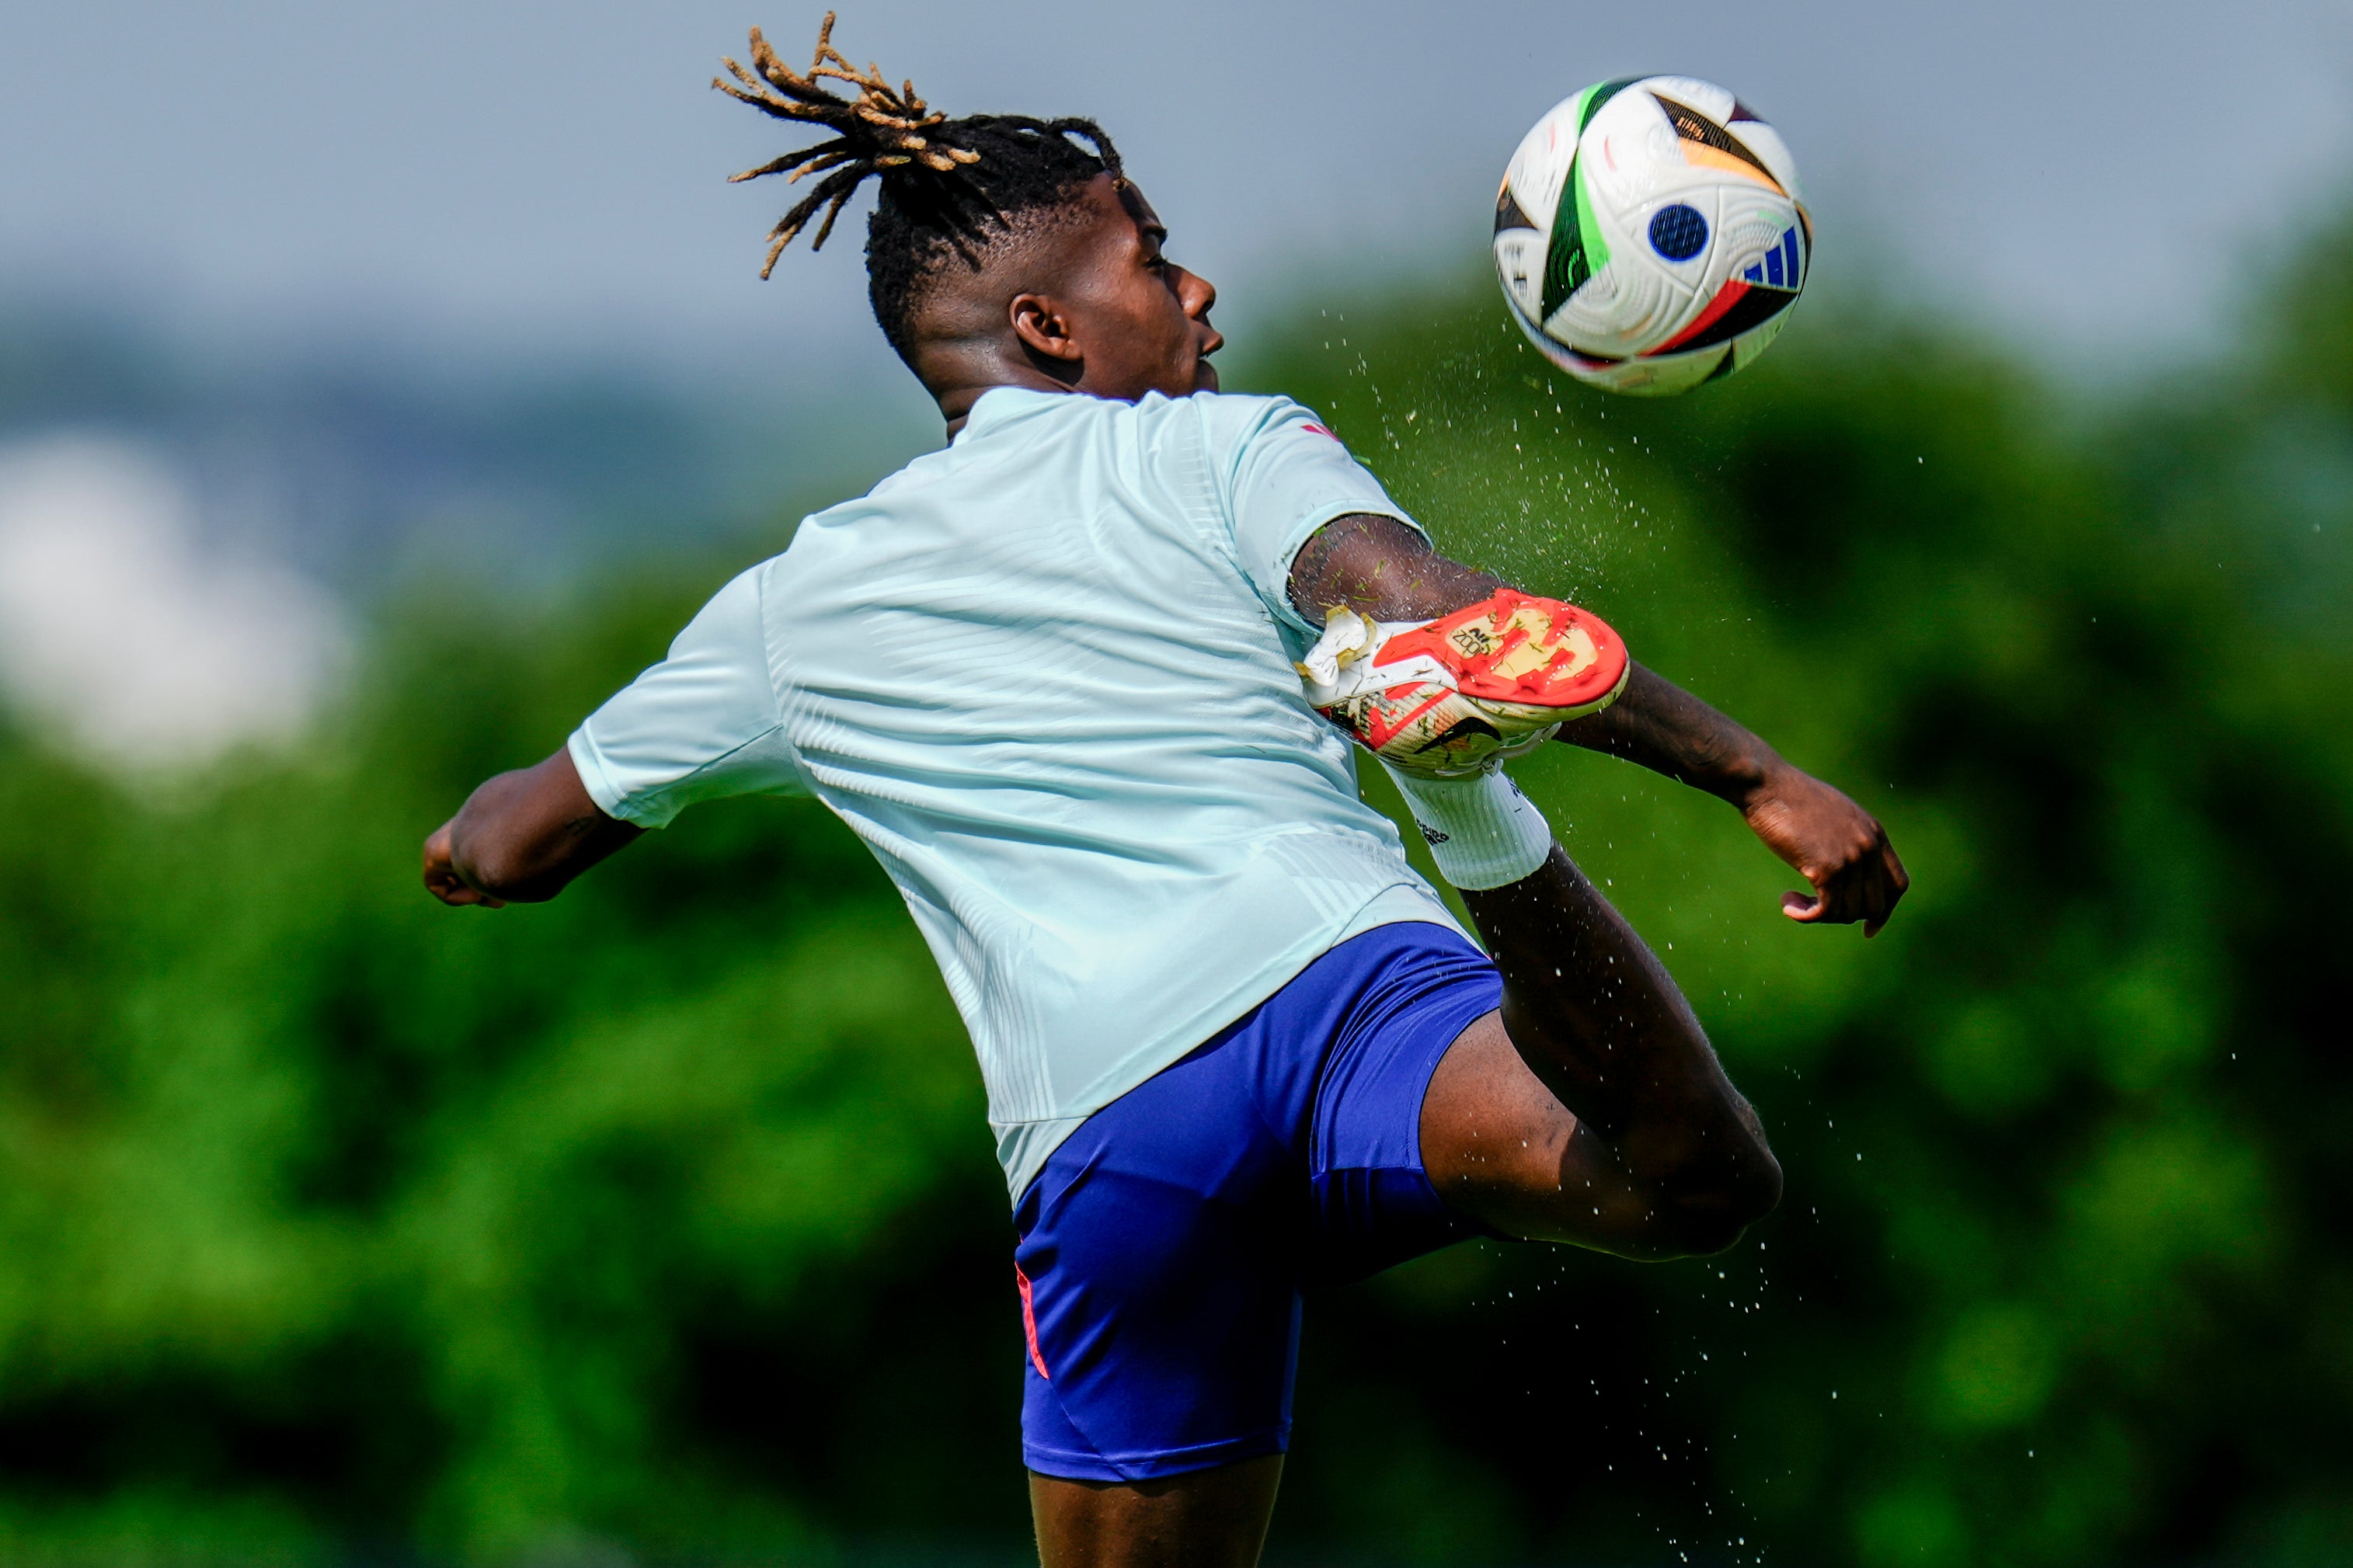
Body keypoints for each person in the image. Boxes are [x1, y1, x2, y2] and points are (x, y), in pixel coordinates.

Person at [422, 19, 1909, 1567]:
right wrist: (1760, 774)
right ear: (1047, 326)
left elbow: (514, 838)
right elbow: (1427, 602)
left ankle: (1462, 789)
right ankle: (1465, 799)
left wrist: (457, 844)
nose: (1198, 291)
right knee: (1697, 1178)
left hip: (1121, 1122)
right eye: (1154, 258)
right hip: (1352, 993)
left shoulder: (794, 609)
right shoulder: (1220, 452)